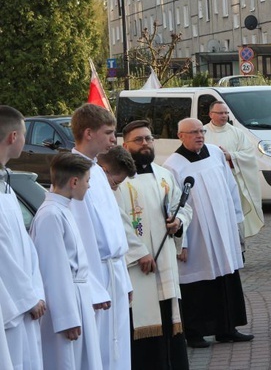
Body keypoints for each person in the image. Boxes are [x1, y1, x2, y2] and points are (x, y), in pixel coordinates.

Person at [163, 118, 252, 348]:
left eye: (201, 131)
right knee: (197, 283)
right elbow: (173, 206)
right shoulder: (173, 165)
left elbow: (230, 186)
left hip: (223, 228)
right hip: (197, 235)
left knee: (226, 277)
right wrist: (181, 243)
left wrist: (236, 221)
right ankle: (194, 332)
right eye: (193, 132)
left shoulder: (215, 153)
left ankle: (226, 328)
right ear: (180, 135)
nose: (199, 135)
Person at [115, 120, 192, 369]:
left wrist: (178, 221)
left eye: (149, 138)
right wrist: (139, 254)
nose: (145, 143)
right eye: (139, 140)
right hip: (139, 266)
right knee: (144, 320)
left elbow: (184, 206)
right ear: (125, 145)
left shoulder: (164, 175)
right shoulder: (118, 181)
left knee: (170, 319)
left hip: (166, 261)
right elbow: (118, 221)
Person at [69, 104, 133, 370]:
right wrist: (94, 288)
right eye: (108, 132)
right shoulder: (73, 173)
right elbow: (80, 237)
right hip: (98, 276)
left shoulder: (96, 169)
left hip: (114, 272)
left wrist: (125, 280)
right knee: (101, 350)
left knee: (119, 348)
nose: (113, 139)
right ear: (88, 133)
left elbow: (114, 227)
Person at [31, 153, 104, 370]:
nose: (88, 187)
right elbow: (53, 270)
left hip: (77, 299)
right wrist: (66, 318)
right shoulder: (51, 215)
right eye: (87, 181)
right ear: (74, 182)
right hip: (65, 306)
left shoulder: (62, 209)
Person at [0, 106, 46, 369]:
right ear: (13, 136)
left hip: (22, 298)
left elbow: (23, 245)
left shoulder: (6, 181)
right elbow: (3, 251)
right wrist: (27, 297)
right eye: (25, 134)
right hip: (10, 303)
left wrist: (34, 291)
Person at [204, 101, 264, 249]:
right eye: (220, 113)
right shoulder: (202, 132)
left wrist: (231, 156)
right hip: (211, 184)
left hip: (233, 181)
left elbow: (249, 155)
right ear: (211, 114)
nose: (224, 116)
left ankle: (239, 249)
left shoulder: (236, 133)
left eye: (226, 113)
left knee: (235, 215)